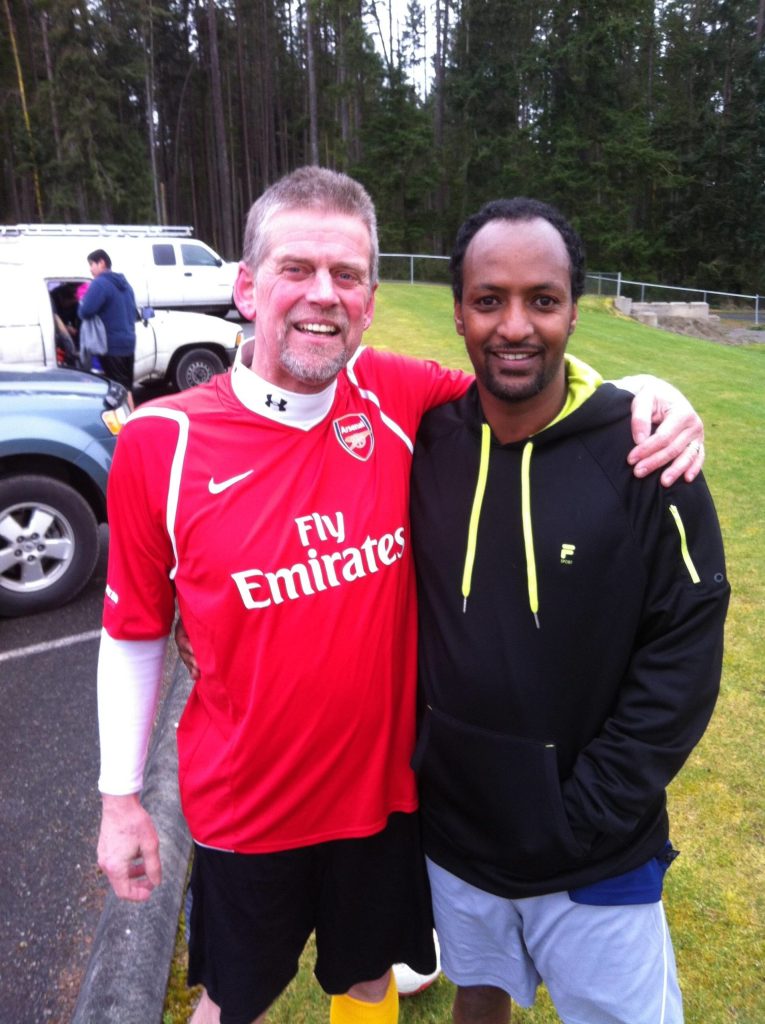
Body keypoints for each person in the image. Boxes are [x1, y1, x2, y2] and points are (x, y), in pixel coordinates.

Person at [96, 166, 706, 1024]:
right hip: (244, 805)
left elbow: (531, 377)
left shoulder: (396, 396)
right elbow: (132, 631)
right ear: (245, 286)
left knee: (368, 978)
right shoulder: (163, 442)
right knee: (230, 997)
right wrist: (120, 798)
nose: (322, 296)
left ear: (371, 298)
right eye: (296, 269)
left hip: (382, 800)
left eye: (346, 275)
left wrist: (650, 395)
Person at [409, 198, 730, 1024]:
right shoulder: (426, 445)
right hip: (457, 834)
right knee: (479, 998)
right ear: (457, 311)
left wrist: (584, 814)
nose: (514, 326)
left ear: (572, 313)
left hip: (597, 854)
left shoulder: (646, 457)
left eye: (540, 300)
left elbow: (683, 655)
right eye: (489, 300)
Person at [78, 248, 137, 405]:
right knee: (126, 387)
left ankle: (128, 424)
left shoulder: (100, 283)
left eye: (92, 264)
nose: (90, 269)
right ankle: (131, 419)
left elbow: (85, 311)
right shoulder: (126, 285)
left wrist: (81, 301)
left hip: (112, 345)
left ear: (102, 262)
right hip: (129, 342)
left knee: (118, 390)